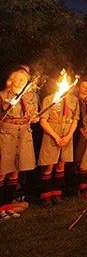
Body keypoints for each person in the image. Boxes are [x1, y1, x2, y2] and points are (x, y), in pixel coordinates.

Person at [37, 74, 80, 207]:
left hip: (66, 134)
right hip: (52, 134)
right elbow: (43, 120)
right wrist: (55, 136)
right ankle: (46, 196)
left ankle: (57, 194)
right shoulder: (50, 99)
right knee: (49, 165)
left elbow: (75, 119)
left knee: (61, 165)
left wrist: (68, 136)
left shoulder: (73, 100)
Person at [0, 66, 38, 214]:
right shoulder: (2, 95)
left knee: (15, 171)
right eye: (19, 78)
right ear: (12, 79)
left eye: (24, 79)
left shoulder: (30, 96)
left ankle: (7, 206)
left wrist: (35, 118)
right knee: (3, 170)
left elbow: (34, 114)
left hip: (22, 135)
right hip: (6, 135)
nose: (22, 80)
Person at [73, 76, 87, 194]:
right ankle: (77, 186)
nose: (86, 89)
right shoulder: (74, 100)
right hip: (78, 133)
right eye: (83, 86)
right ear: (78, 87)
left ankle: (86, 184)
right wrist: (82, 131)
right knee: (78, 158)